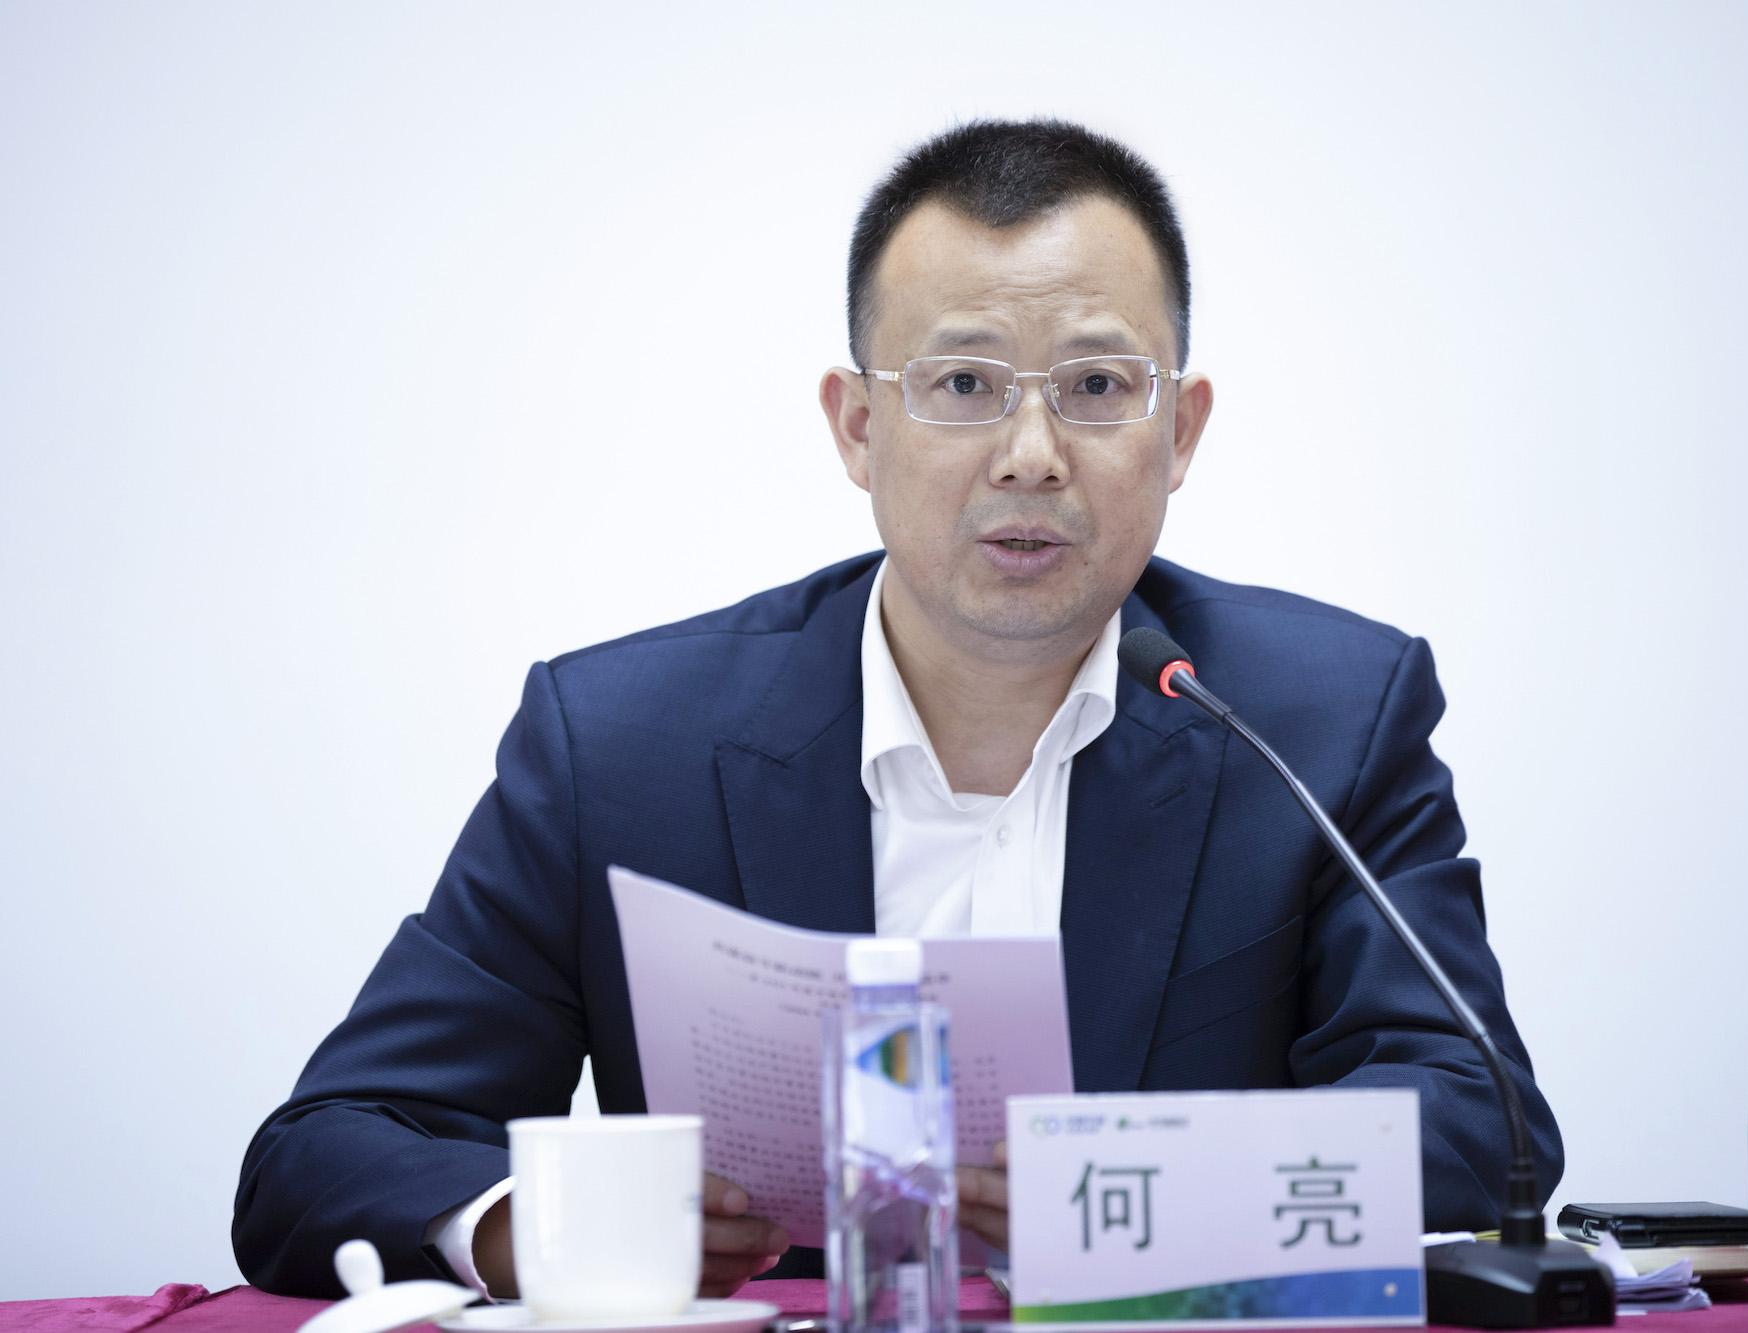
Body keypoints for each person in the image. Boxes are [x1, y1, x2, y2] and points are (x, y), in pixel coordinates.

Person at [233, 119, 1563, 1300]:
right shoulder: (621, 745)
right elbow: (326, 1150)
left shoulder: (1318, 719)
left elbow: (1477, 1123)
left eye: (1099, 388)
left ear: (1183, 430)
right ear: (858, 428)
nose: (1031, 455)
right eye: (963, 385)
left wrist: (1141, 1190)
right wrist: (533, 1226)